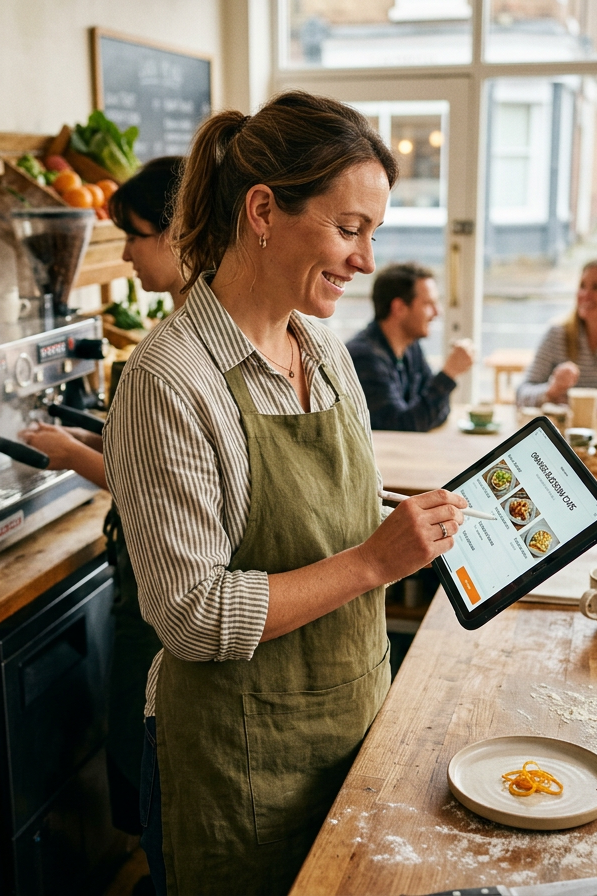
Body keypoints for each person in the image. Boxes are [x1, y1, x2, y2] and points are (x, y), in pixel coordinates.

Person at [101, 91, 469, 896]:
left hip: (352, 724)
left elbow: (338, 516)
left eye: (374, 234)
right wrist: (376, 561)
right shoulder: (168, 380)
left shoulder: (325, 349)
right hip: (238, 767)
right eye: (349, 228)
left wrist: (422, 529)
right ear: (264, 210)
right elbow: (192, 614)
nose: (365, 261)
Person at [19, 156, 185, 841]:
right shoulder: (183, 334)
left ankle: (163, 866)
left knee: (148, 746)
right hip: (144, 581)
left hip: (160, 595)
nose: (126, 255)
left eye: (135, 236)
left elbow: (155, 486)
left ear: (179, 233)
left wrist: (69, 453)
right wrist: (95, 435)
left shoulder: (170, 358)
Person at [345, 262, 474, 431]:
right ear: (399, 308)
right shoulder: (365, 358)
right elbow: (403, 425)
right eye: (428, 304)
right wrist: (449, 373)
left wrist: (430, 403)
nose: (438, 312)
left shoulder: (411, 347)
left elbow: (437, 411)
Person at [515, 258, 597, 409]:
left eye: (596, 287)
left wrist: (575, 403)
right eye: (582, 286)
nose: (585, 294)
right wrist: (552, 390)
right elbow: (522, 394)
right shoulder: (556, 334)